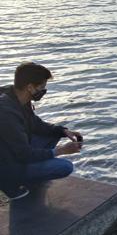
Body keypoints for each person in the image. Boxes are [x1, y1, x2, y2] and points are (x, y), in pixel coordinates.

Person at [0, 62, 83, 201]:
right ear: (30, 87)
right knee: (65, 167)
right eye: (42, 87)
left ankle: (32, 174)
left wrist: (63, 131)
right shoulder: (6, 112)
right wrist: (60, 151)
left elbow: (35, 124)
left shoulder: (17, 96)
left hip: (13, 151)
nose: (44, 91)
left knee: (52, 134)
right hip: (7, 165)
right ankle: (11, 184)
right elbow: (24, 154)